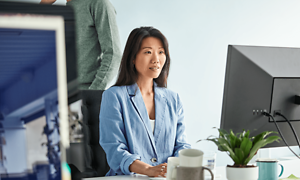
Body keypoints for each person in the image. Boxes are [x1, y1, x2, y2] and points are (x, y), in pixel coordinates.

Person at [99, 27, 191, 177]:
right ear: (133, 57)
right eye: (148, 52)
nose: (156, 59)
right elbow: (115, 150)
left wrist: (174, 166)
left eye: (161, 52)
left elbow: (182, 145)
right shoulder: (114, 96)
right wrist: (148, 170)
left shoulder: (173, 98)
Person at [40, 0, 122, 90]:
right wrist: (44, 4)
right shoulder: (59, 11)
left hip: (83, 96)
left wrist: (91, 94)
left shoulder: (98, 3)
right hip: (59, 97)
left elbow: (114, 55)